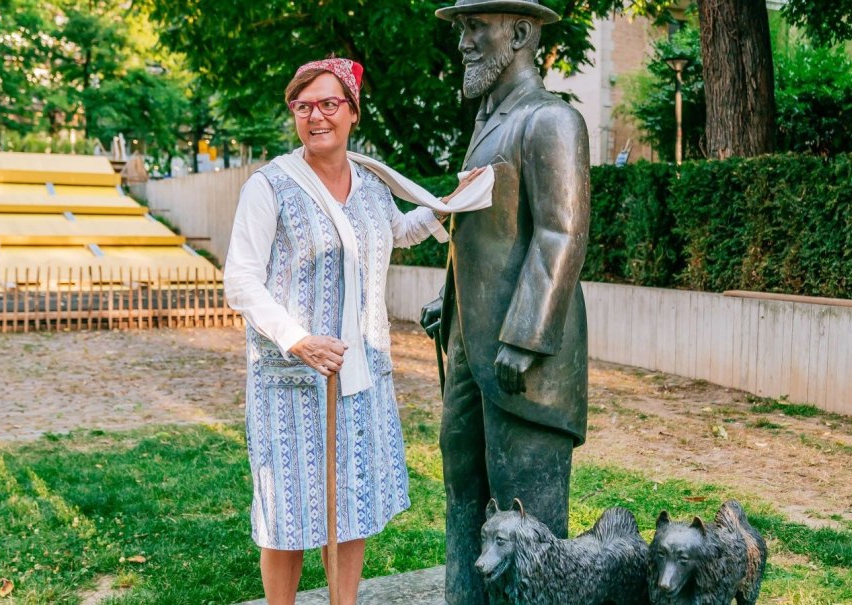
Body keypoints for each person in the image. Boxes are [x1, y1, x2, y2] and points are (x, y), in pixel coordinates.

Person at [224, 58, 488, 605]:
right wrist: (296, 337)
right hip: (292, 380)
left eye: (328, 103)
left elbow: (397, 232)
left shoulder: (369, 184)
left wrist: (450, 203)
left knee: (349, 506)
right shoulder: (269, 186)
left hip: (361, 372)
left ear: (352, 112)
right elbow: (241, 281)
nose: (315, 115)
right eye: (303, 106)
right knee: (290, 512)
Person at [420, 1, 592, 603]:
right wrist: (454, 305)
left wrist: (523, 336)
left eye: (475, 28)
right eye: (463, 29)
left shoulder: (551, 121)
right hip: (472, 342)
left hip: (524, 356)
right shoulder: (490, 124)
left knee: (527, 510)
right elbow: (483, 235)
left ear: (520, 32)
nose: (463, 43)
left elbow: (561, 234)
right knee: (462, 479)